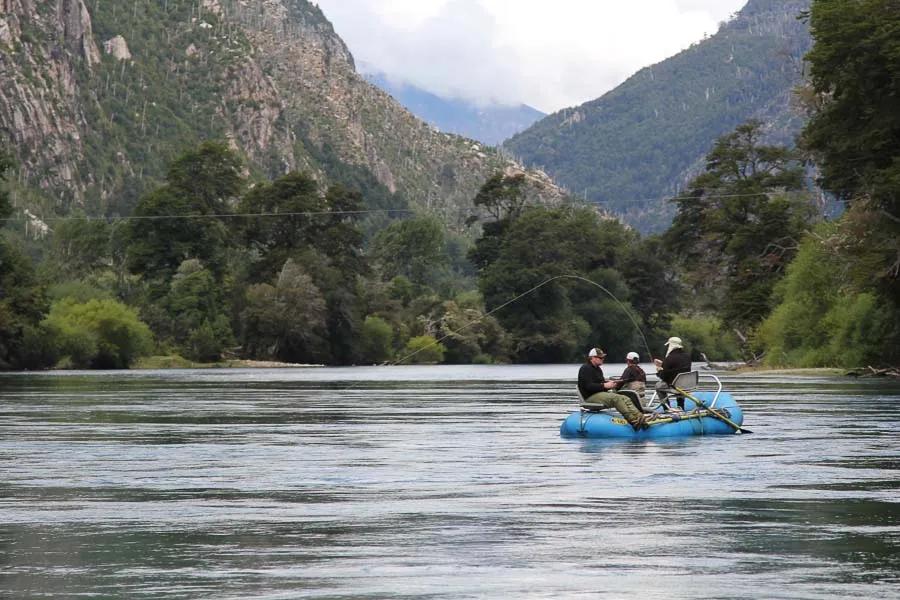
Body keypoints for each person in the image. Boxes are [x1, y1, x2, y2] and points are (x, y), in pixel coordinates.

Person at [578, 347, 650, 430]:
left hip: (599, 395)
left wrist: (610, 385)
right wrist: (604, 386)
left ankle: (640, 417)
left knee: (625, 398)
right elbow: (588, 386)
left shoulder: (598, 369)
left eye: (603, 357)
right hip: (590, 397)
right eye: (600, 358)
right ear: (592, 358)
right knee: (616, 398)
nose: (603, 359)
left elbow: (600, 384)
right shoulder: (585, 368)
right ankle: (633, 420)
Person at [653, 336, 692, 409]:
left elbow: (664, 376)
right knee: (680, 382)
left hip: (675, 386)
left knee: (658, 386)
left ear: (671, 345)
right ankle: (681, 406)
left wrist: (659, 371)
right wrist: (663, 364)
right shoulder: (687, 356)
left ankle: (666, 408)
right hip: (686, 385)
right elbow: (678, 368)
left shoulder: (670, 358)